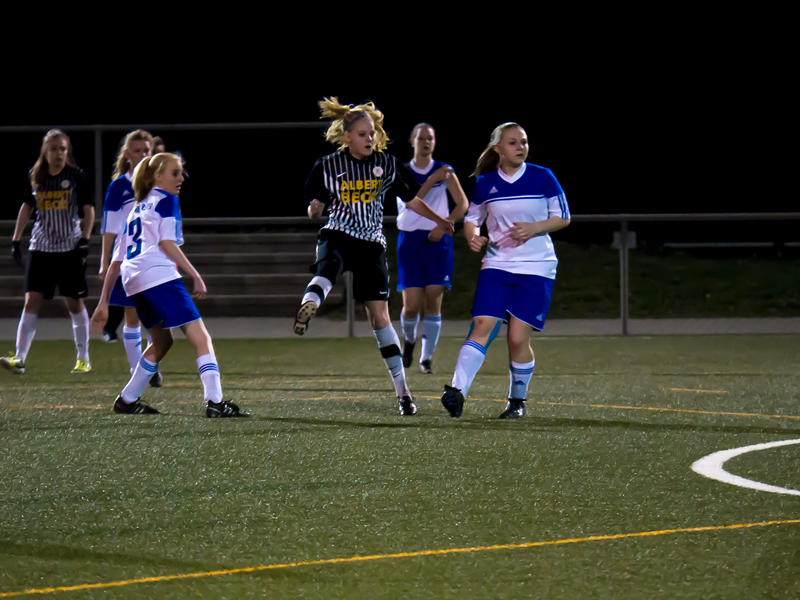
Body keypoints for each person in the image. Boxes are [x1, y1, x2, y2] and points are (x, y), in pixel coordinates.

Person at [295, 97, 455, 416]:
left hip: (370, 244)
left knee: (380, 318)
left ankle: (403, 393)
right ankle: (308, 303)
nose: (369, 138)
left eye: (371, 133)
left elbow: (411, 200)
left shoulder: (387, 165)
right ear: (346, 136)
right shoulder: (327, 165)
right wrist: (315, 206)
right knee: (329, 266)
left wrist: (439, 220)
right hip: (338, 232)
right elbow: (314, 200)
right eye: (362, 134)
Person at [90, 153, 248, 418]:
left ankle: (127, 399)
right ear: (157, 176)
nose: (181, 178)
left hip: (133, 282)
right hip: (157, 276)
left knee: (162, 341)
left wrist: (103, 301)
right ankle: (216, 402)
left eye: (181, 173)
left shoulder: (135, 210)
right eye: (175, 173)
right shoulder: (167, 201)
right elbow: (166, 243)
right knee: (201, 337)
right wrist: (195, 274)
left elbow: (116, 262)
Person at [440, 123, 570, 419]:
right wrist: (472, 236)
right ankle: (456, 391)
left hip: (537, 267)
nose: (521, 147)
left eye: (524, 142)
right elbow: (472, 219)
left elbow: (563, 217)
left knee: (516, 339)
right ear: (498, 148)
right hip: (497, 265)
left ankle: (517, 401)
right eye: (513, 142)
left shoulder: (543, 176)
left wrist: (536, 228)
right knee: (483, 324)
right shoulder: (485, 183)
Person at [1, 130, 94, 375]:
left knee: (74, 302)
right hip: (41, 246)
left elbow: (88, 209)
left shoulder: (76, 176)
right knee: (31, 299)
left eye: (63, 149)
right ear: (45, 151)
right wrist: (16, 239)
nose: (59, 154)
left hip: (68, 246)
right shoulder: (37, 176)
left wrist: (84, 238)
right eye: (54, 149)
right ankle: (19, 358)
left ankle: (83, 358)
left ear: (68, 151)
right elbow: (27, 207)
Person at [396, 123, 468, 374]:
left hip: (438, 241)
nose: (426, 142)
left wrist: (446, 223)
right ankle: (409, 341)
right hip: (410, 240)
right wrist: (432, 180)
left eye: (431, 138)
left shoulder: (445, 171)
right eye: (421, 138)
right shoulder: (401, 171)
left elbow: (462, 204)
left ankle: (426, 359)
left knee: (433, 300)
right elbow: (410, 202)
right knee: (411, 305)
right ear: (412, 141)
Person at [99, 130, 162, 387]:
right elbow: (109, 229)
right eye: (137, 151)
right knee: (132, 317)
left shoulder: (159, 183)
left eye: (147, 151)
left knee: (156, 317)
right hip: (128, 261)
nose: (143, 155)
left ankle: (150, 365)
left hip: (156, 258)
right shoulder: (118, 187)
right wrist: (104, 262)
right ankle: (139, 371)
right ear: (127, 155)